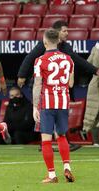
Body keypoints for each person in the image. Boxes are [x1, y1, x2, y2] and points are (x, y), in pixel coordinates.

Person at [18, 20, 99, 151]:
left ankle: (60, 142)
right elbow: (30, 57)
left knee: (58, 114)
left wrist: (95, 70)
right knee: (44, 114)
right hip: (43, 86)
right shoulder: (43, 45)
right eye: (65, 30)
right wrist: (22, 75)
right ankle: (46, 143)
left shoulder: (65, 46)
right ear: (56, 32)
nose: (67, 33)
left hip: (59, 87)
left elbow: (77, 60)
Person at [33, 28, 75, 183]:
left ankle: (51, 175)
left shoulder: (40, 61)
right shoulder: (68, 59)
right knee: (62, 136)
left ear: (44, 41)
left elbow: (37, 84)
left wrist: (34, 107)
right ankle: (67, 167)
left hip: (48, 103)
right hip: (63, 102)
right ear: (58, 41)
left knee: (46, 139)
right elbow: (70, 83)